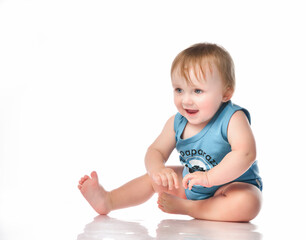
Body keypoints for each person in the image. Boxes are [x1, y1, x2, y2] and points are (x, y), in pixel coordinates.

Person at [78, 43, 263, 222]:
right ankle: (108, 200)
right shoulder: (177, 122)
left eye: (197, 91)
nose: (186, 100)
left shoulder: (232, 118)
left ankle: (188, 208)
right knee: (154, 179)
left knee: (249, 202)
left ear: (226, 93)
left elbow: (245, 153)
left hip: (231, 187)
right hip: (191, 185)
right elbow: (155, 151)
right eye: (179, 90)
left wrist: (209, 178)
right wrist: (157, 169)